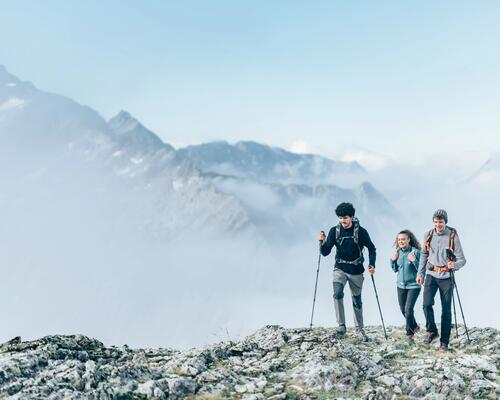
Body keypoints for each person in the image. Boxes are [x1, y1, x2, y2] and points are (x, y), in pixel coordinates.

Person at [318, 202, 376, 341]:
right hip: (340, 268)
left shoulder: (361, 232)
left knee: (356, 300)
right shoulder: (334, 231)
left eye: (345, 217)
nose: (343, 220)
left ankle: (359, 329)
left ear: (351, 217)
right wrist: (321, 242)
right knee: (337, 294)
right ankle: (341, 326)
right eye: (340, 217)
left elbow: (372, 248)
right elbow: (325, 253)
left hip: (356, 270)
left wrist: (372, 264)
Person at [416, 209, 466, 352]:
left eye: (441, 222)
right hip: (431, 274)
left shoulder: (452, 236)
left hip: (446, 277)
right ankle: (432, 331)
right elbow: (424, 255)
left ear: (445, 222)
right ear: (433, 222)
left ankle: (444, 342)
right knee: (426, 304)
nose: (438, 224)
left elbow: (462, 260)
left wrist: (454, 265)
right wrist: (420, 274)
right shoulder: (428, 235)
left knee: (446, 310)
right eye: (436, 222)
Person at [390, 230, 422, 343]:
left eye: (403, 239)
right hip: (400, 286)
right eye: (399, 240)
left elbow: (421, 269)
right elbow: (395, 269)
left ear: (409, 240)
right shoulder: (397, 252)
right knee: (403, 310)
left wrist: (414, 260)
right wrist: (392, 260)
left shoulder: (416, 252)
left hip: (414, 285)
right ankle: (415, 326)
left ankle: (410, 335)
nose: (401, 241)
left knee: (408, 309)